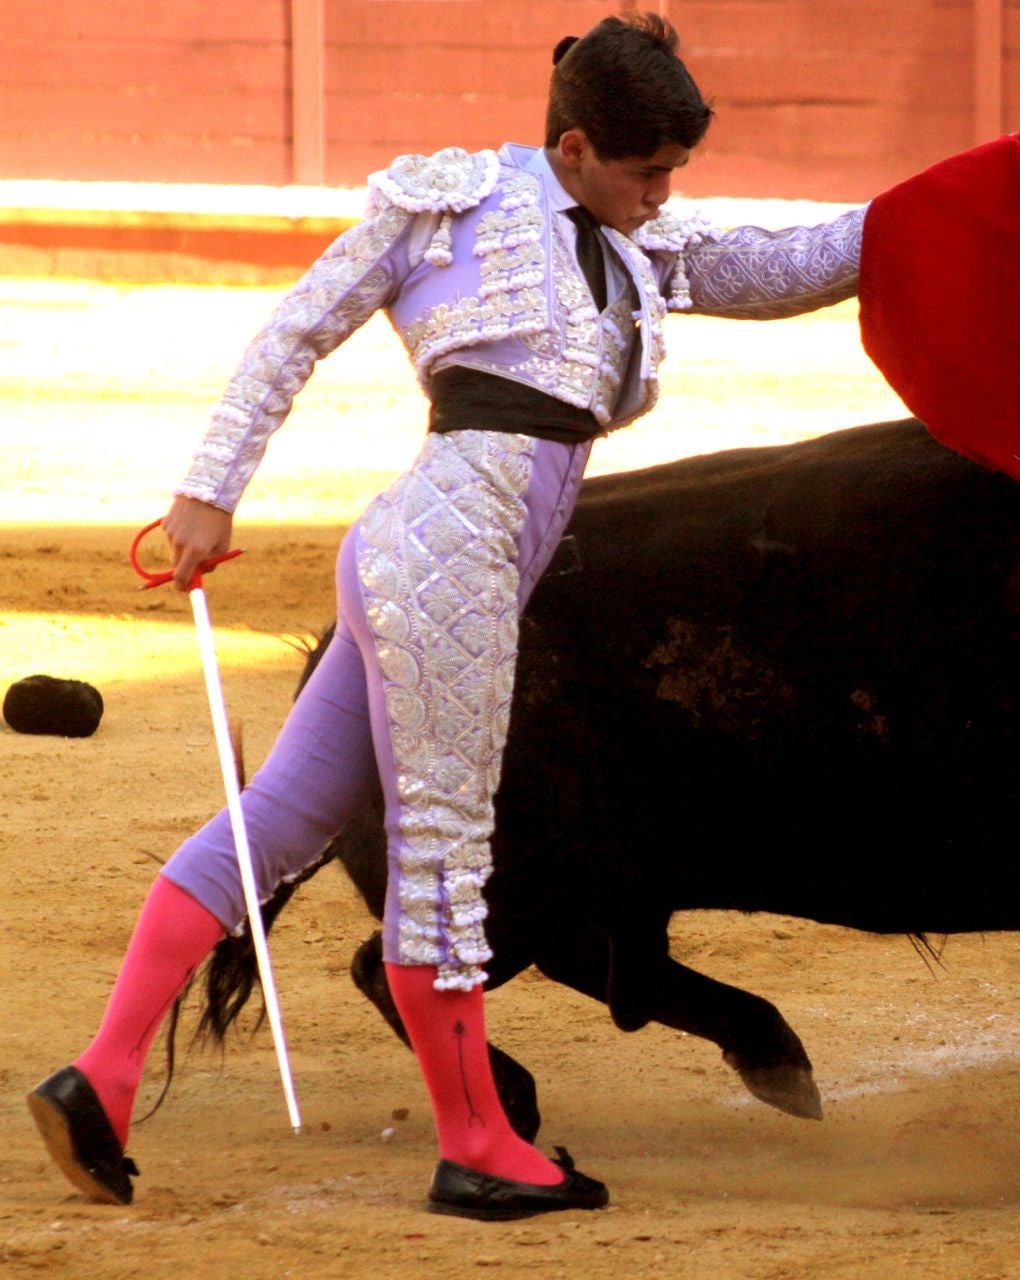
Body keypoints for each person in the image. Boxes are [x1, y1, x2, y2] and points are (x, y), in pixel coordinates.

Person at [27, 13, 863, 1221]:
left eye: (674, 171)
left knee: (286, 817)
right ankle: (475, 1140)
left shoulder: (634, 240)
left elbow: (784, 267)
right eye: (647, 170)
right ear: (574, 147)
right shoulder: (446, 203)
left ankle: (99, 1074)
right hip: (452, 562)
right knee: (444, 851)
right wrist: (206, 494)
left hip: (434, 553)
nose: (665, 193)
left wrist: (929, 215)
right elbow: (296, 325)